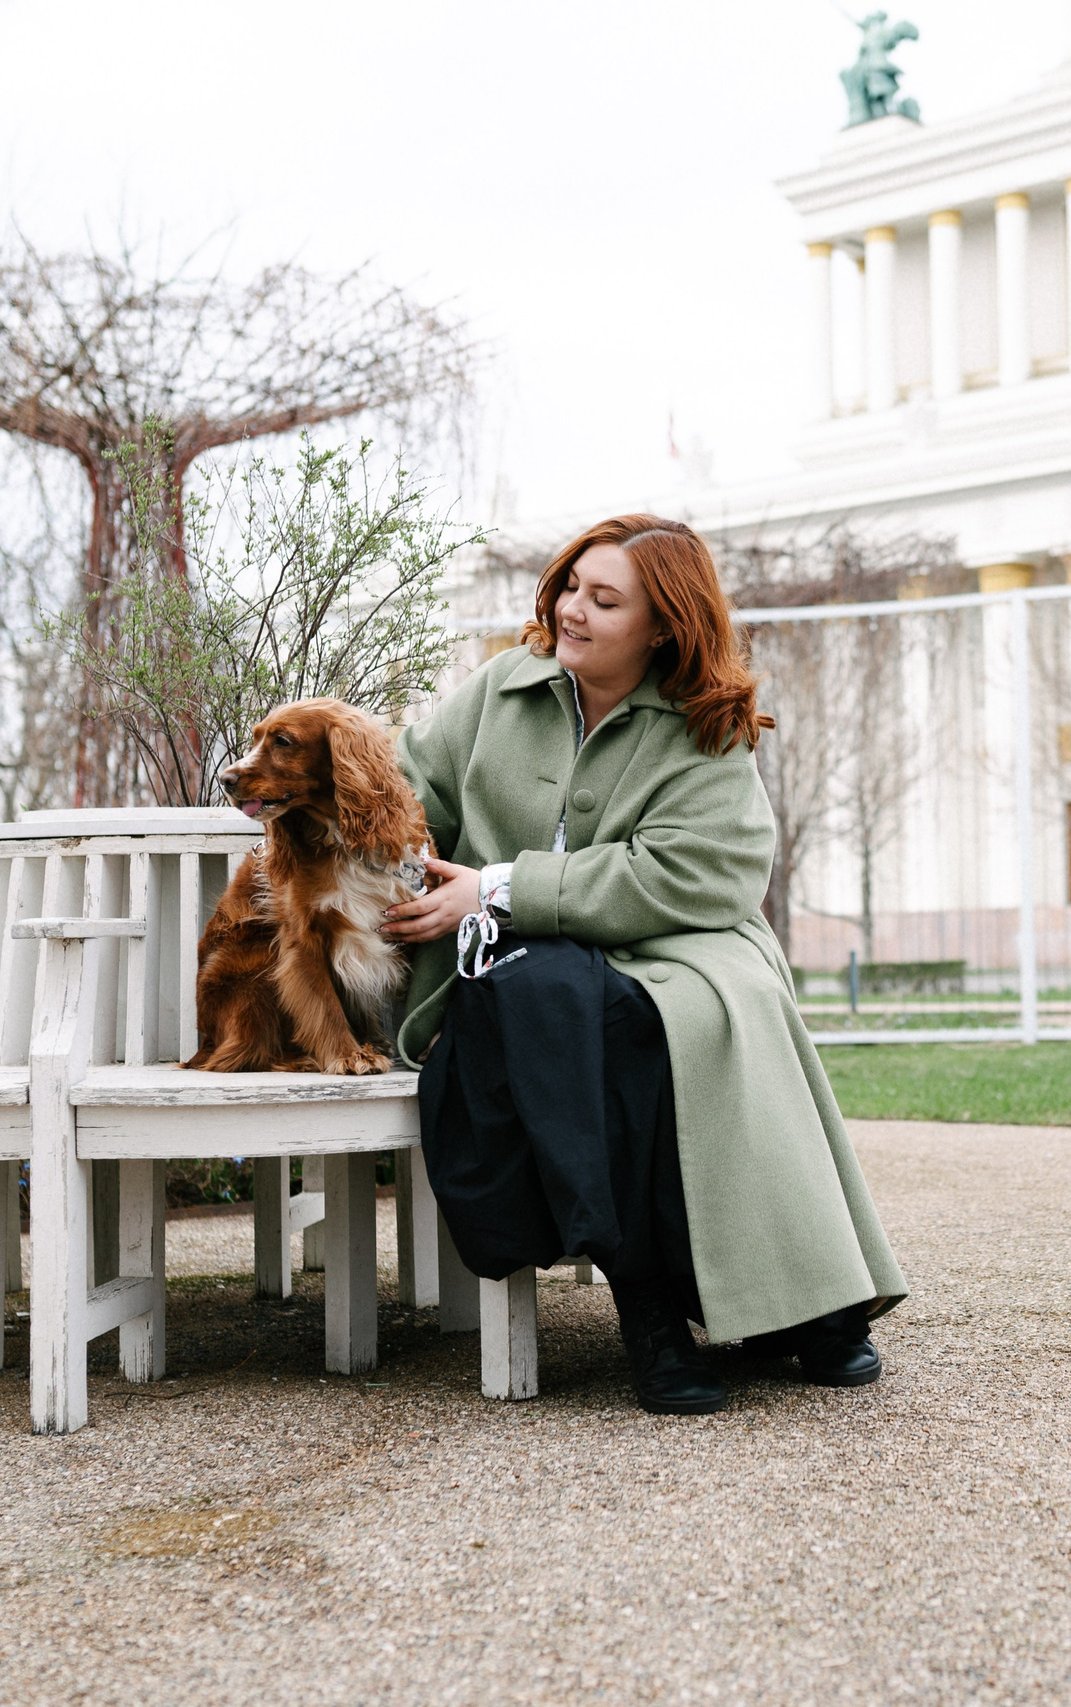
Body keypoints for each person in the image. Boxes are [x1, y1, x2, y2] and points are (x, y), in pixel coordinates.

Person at [383, 515, 908, 1414]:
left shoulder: (707, 725)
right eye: (570, 587)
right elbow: (406, 792)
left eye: (603, 598)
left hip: (677, 952)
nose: (571, 610)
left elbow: (693, 872)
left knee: (644, 1021)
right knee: (554, 1000)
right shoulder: (500, 688)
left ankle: (792, 1301)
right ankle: (654, 1304)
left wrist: (501, 886)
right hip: (519, 972)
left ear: (662, 624)